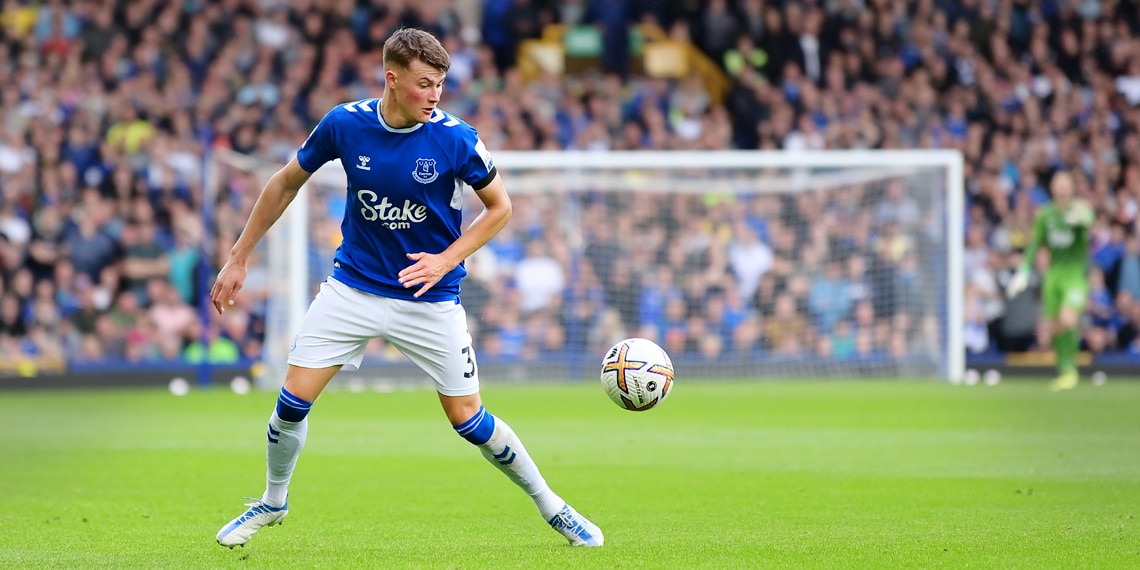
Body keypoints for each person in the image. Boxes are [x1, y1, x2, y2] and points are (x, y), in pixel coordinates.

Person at [211, 28, 602, 549]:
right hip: (353, 288)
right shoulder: (344, 125)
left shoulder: (456, 137)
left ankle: (554, 507)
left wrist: (446, 259)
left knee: (468, 419)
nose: (435, 95)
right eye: (425, 84)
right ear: (392, 80)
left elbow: (500, 208)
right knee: (290, 403)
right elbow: (284, 182)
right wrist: (238, 257)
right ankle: (273, 501)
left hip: (429, 299)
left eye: (440, 84)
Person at [1006, 171, 1093, 391]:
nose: (1062, 188)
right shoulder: (1046, 215)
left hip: (1074, 275)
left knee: (1066, 320)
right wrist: (1023, 271)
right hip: (1053, 276)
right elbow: (1035, 244)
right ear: (1052, 188)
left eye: (1066, 184)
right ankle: (1066, 370)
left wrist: (1080, 219)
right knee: (1057, 326)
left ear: (1072, 188)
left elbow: (1089, 219)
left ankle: (1064, 363)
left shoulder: (1080, 209)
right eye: (1058, 184)